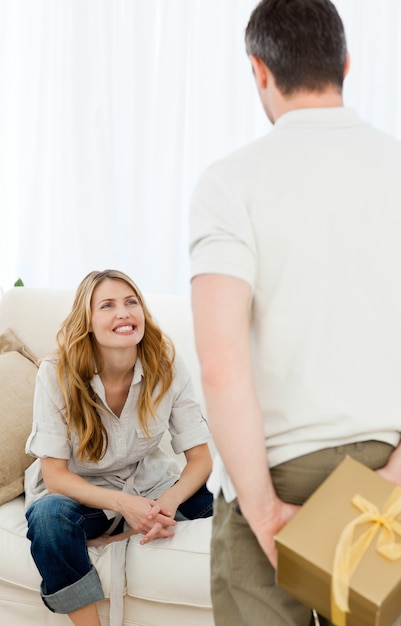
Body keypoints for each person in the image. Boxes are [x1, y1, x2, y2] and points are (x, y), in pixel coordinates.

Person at [189, 1, 401, 625]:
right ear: (346, 63)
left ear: (259, 70)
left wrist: (264, 515)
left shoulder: (230, 182)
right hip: (379, 473)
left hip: (271, 474)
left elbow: (221, 364)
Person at [24, 269, 213, 626]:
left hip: (151, 487)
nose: (124, 312)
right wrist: (126, 505)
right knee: (48, 521)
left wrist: (167, 504)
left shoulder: (166, 363)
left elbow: (201, 459)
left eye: (131, 302)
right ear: (89, 322)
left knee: (231, 506)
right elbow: (55, 476)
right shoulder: (56, 372)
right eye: (107, 305)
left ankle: (132, 529)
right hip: (84, 497)